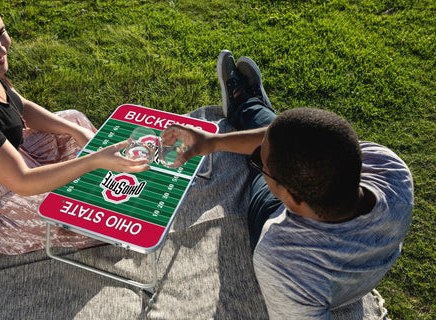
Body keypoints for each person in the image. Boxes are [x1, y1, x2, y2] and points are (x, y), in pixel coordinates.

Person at [170, 50, 413, 319]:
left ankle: (248, 106)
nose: (260, 167)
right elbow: (308, 142)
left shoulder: (283, 257)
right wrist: (212, 142)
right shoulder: (391, 168)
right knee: (288, 138)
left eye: (262, 166)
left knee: (270, 158)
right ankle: (251, 107)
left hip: (280, 221)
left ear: (292, 197)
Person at [0, 0, 149, 255]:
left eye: (0, 33)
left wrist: (76, 132)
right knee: (85, 212)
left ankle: (109, 177)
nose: (0, 48)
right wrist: (93, 161)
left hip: (14, 159)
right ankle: (114, 190)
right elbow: (23, 181)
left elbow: (19, 106)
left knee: (73, 120)